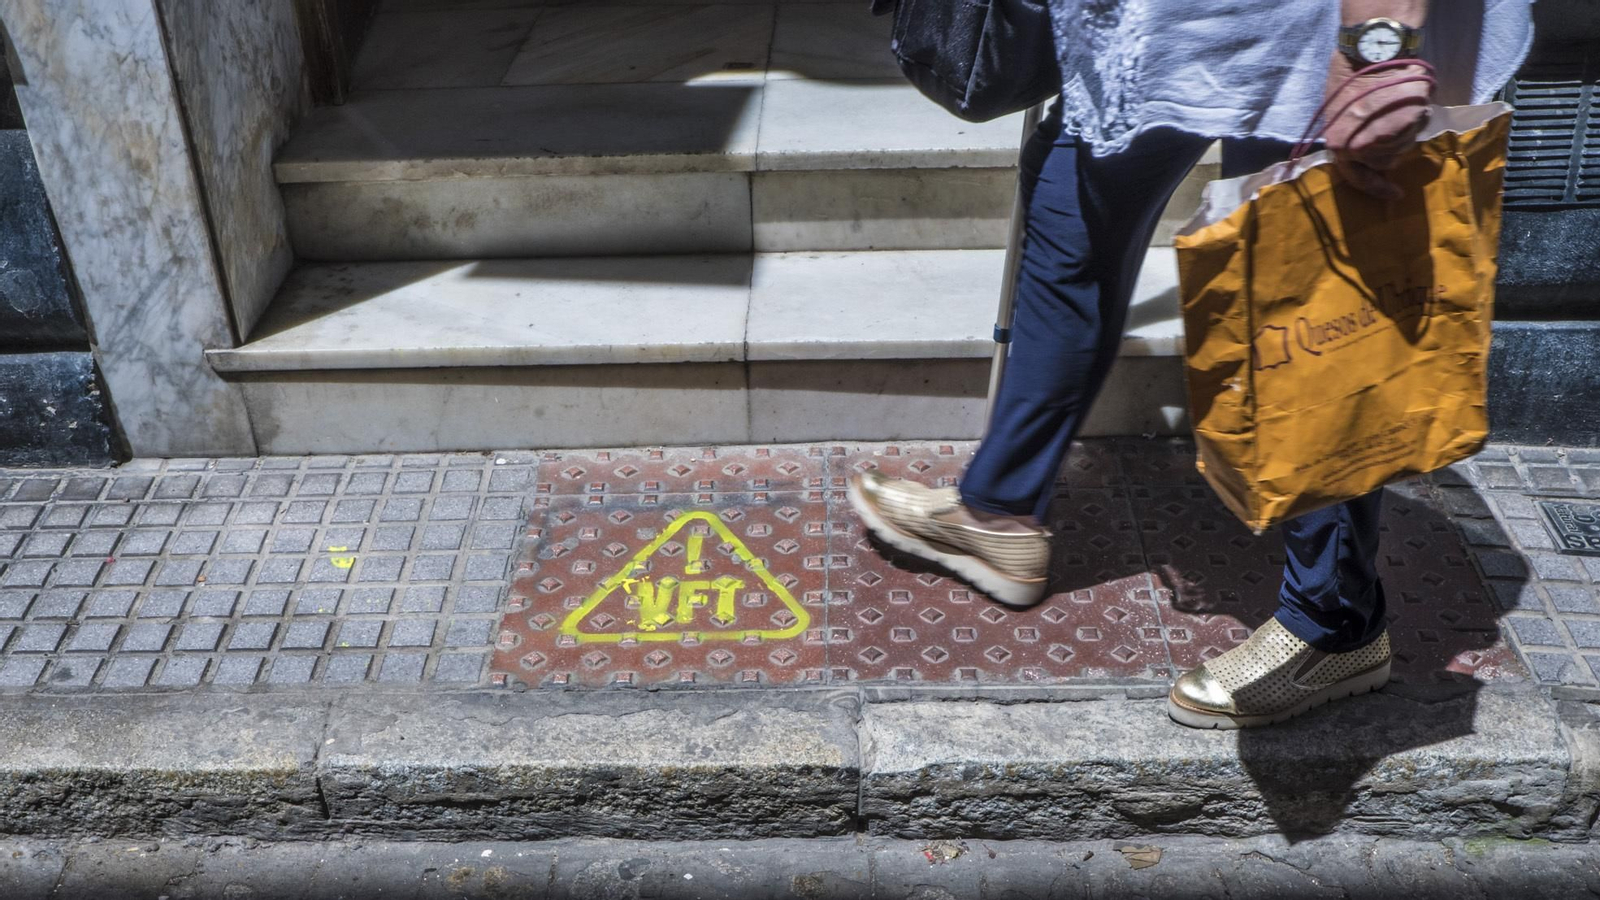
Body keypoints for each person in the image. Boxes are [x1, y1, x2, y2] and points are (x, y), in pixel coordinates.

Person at [848, 0, 1533, 728]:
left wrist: (1376, 47)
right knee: (1068, 202)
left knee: (1307, 289)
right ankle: (1000, 512)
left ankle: (1335, 624)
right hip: (1164, 27)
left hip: (1302, 35)